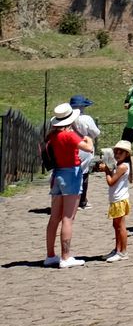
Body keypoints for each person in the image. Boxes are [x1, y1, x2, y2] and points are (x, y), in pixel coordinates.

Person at [42, 103, 86, 268]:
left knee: (54, 218)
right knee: (68, 218)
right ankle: (66, 256)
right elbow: (87, 148)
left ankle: (50, 254)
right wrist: (87, 139)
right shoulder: (70, 135)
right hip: (71, 174)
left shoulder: (52, 136)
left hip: (57, 174)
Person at [99, 141, 133, 262]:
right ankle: (117, 249)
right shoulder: (120, 164)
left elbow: (111, 181)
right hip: (116, 199)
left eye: (120, 152)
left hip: (120, 200)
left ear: (126, 154)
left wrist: (106, 171)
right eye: (116, 151)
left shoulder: (122, 166)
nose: (117, 154)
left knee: (120, 226)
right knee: (116, 225)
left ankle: (123, 251)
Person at [68, 96, 101, 211]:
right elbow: (96, 133)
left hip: (70, 146)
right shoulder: (86, 118)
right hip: (84, 146)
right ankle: (82, 200)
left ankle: (70, 199)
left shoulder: (67, 118)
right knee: (83, 173)